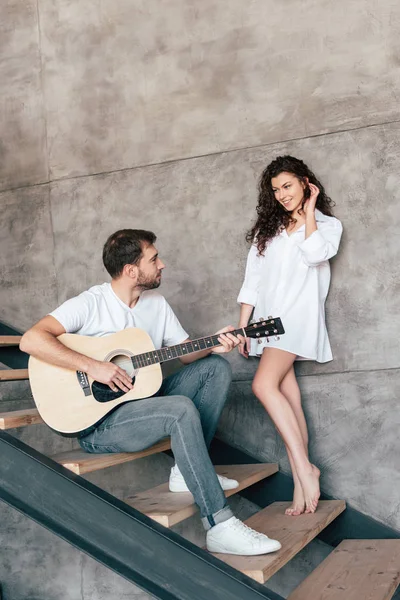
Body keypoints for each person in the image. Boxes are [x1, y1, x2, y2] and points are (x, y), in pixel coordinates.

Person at [21, 228, 281, 556]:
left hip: (141, 405)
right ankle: (219, 524)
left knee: (215, 369)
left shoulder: (155, 303)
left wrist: (216, 343)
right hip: (98, 425)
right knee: (180, 408)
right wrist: (93, 366)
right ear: (131, 271)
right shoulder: (91, 303)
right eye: (154, 258)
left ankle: (184, 475)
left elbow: (186, 353)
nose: (163, 264)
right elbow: (30, 339)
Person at [237, 155, 343, 516]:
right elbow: (252, 282)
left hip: (296, 319)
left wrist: (310, 209)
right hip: (265, 325)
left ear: (305, 183)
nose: (282, 195)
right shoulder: (268, 232)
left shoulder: (327, 226)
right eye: (276, 189)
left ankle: (304, 468)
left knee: (263, 386)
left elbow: (316, 256)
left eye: (288, 186)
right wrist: (244, 328)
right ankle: (301, 484)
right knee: (288, 396)